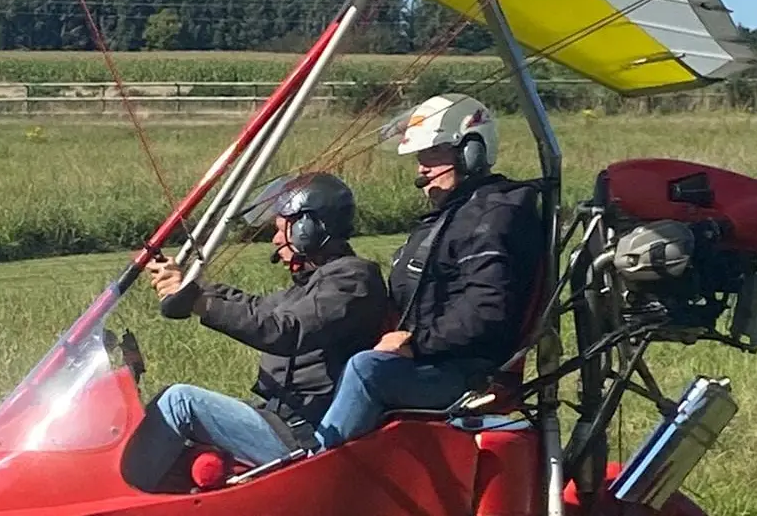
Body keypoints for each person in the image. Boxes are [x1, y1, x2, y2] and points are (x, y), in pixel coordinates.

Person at [123, 172, 390, 491]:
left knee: (179, 401)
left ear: (309, 228)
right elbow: (260, 307)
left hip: (302, 435)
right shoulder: (315, 282)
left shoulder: (352, 281)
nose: (277, 240)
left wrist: (197, 301)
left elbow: (283, 330)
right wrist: (194, 289)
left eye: (281, 229)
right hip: (279, 418)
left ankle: (122, 494)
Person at [312, 93, 545, 451]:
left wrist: (415, 343)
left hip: (468, 372)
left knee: (366, 369)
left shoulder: (494, 215)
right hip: (439, 362)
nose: (422, 168)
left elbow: (486, 310)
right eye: (420, 157)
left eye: (433, 154)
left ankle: (316, 469)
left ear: (472, 152)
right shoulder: (455, 213)